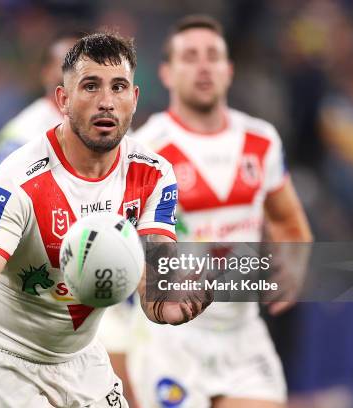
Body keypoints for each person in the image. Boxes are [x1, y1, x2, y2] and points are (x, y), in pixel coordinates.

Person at [0, 32, 212, 407]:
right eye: (90, 86)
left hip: (80, 356)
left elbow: (152, 270)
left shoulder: (154, 174)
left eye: (118, 87)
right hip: (0, 360)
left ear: (133, 99)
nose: (106, 102)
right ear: (63, 100)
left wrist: (166, 304)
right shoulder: (17, 179)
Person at [133, 15, 313, 408]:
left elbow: (287, 220)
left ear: (229, 71)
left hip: (242, 334)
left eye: (213, 56)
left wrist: (293, 266)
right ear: (166, 72)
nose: (203, 65)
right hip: (173, 339)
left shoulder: (261, 140)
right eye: (190, 56)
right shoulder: (145, 149)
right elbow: (126, 245)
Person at [0, 35, 78, 172]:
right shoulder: (23, 133)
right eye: (67, 65)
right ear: (46, 73)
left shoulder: (108, 123)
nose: (76, 73)